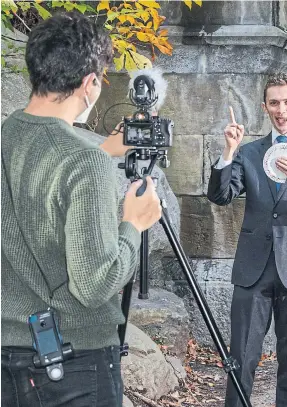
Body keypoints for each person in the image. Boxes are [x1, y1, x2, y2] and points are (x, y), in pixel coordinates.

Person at [1, 12, 161, 407]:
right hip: (73, 364)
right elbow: (94, 285)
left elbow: (36, 176)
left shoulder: (9, 135)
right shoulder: (83, 163)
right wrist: (133, 225)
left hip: (8, 356)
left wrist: (100, 151)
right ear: (90, 83)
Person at [207, 72, 287, 407]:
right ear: (265, 107)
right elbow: (221, 196)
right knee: (241, 361)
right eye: (275, 103)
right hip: (254, 270)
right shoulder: (249, 153)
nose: (282, 109)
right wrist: (228, 151)